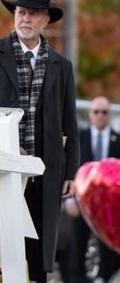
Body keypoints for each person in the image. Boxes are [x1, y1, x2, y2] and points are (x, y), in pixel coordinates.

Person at [0, 0, 80, 283]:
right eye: (20, 12)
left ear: (46, 20)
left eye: (32, 14)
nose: (25, 19)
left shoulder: (62, 66)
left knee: (36, 255)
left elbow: (70, 124)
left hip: (43, 175)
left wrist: (71, 172)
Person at [66, 96, 120, 283]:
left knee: (108, 247)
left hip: (108, 206)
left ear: (109, 114)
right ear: (90, 114)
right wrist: (70, 199)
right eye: (96, 111)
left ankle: (105, 278)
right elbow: (71, 167)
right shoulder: (79, 139)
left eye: (104, 112)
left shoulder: (118, 140)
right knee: (78, 242)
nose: (100, 116)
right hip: (81, 201)